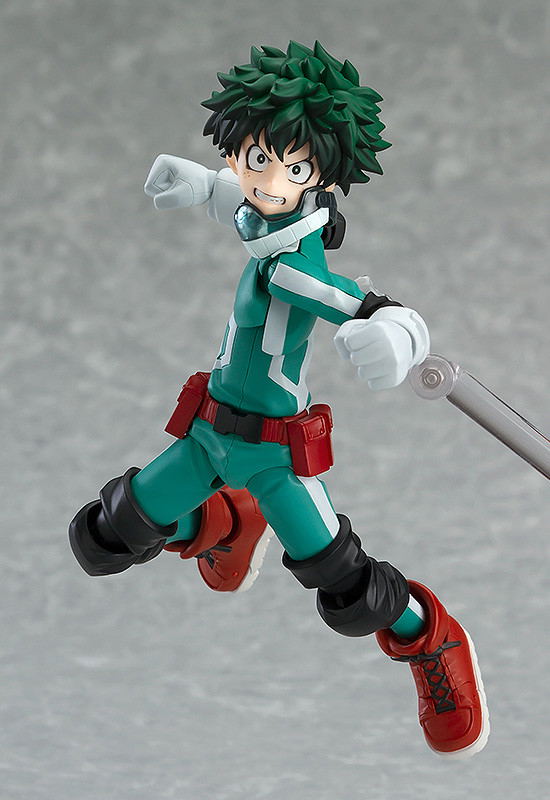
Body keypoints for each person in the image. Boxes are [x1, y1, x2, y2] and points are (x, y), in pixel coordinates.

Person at [69, 41, 489, 758]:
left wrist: (398, 334)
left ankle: (432, 637)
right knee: (104, 537)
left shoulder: (299, 268)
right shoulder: (264, 219)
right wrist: (205, 185)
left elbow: (367, 305)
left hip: (273, 457)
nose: (270, 181)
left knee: (348, 591)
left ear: (320, 176)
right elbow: (250, 201)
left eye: (294, 169)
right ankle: (226, 519)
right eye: (257, 158)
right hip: (209, 436)